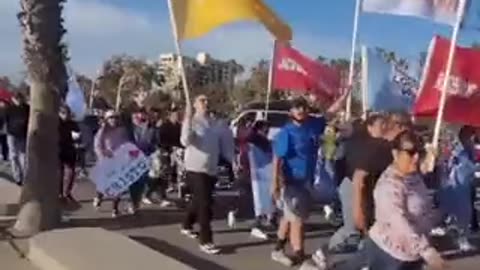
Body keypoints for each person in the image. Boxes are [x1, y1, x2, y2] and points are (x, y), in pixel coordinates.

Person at [271, 93, 347, 267]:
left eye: (303, 107)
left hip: (307, 180)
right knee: (297, 219)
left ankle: (277, 249)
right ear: (291, 111)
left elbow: (330, 113)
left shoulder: (313, 125)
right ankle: (299, 253)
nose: (300, 110)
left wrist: (344, 95)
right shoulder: (286, 132)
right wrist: (274, 183)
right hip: (291, 182)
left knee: (288, 217)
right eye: (297, 107)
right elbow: (277, 159)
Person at [367, 130, 447, 270]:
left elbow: (431, 193)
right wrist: (426, 251)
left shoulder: (413, 176)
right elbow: (399, 222)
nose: (416, 158)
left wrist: (435, 163)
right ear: (395, 153)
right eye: (410, 153)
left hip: (413, 253)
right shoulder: (388, 185)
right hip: (390, 255)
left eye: (419, 152)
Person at [180, 94, 235, 255]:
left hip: (211, 168)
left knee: (199, 201)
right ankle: (206, 240)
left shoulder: (215, 124)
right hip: (194, 169)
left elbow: (225, 146)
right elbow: (185, 141)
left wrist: (233, 161)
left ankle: (186, 224)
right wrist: (188, 120)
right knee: (205, 205)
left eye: (206, 100)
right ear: (195, 105)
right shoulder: (192, 122)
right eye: (201, 100)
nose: (205, 102)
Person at [438, 126, 478, 252]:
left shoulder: (463, 149)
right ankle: (461, 241)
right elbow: (466, 169)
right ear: (466, 136)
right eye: (471, 136)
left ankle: (457, 238)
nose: (473, 140)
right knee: (462, 215)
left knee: (459, 215)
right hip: (458, 187)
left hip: (459, 186)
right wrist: (477, 167)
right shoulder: (460, 152)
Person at [93, 110, 131, 217]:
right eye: (111, 118)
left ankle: (115, 208)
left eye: (115, 118)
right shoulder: (102, 131)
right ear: (106, 119)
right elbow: (97, 145)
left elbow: (126, 143)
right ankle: (99, 197)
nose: (114, 120)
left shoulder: (122, 130)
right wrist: (102, 156)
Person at [247, 120, 275, 240]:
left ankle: (271, 220)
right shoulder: (256, 141)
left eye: (268, 129)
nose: (267, 131)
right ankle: (257, 227)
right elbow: (251, 137)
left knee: (270, 200)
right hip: (259, 176)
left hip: (268, 174)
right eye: (264, 129)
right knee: (260, 201)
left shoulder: (267, 142)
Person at [5, 93, 29, 184]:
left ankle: (25, 177)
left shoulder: (27, 108)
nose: (18, 101)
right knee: (13, 156)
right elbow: (5, 120)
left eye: (20, 99)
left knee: (23, 156)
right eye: (16, 99)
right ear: (13, 99)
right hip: (11, 135)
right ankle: (17, 177)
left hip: (22, 135)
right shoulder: (9, 109)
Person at [58, 106, 80, 203]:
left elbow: (78, 134)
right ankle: (59, 193)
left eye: (67, 113)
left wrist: (78, 138)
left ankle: (66, 192)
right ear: (59, 113)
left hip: (69, 149)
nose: (66, 116)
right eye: (63, 113)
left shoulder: (72, 123)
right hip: (58, 150)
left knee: (70, 173)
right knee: (59, 173)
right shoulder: (55, 123)